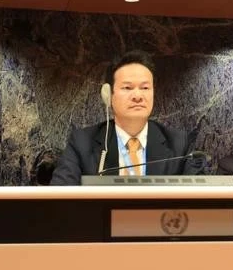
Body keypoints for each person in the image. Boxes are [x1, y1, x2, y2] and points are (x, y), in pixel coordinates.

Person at [50, 50, 201, 185]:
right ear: (109, 95)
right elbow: (59, 199)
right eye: (127, 88)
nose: (137, 96)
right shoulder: (83, 143)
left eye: (145, 88)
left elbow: (202, 201)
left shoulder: (179, 144)